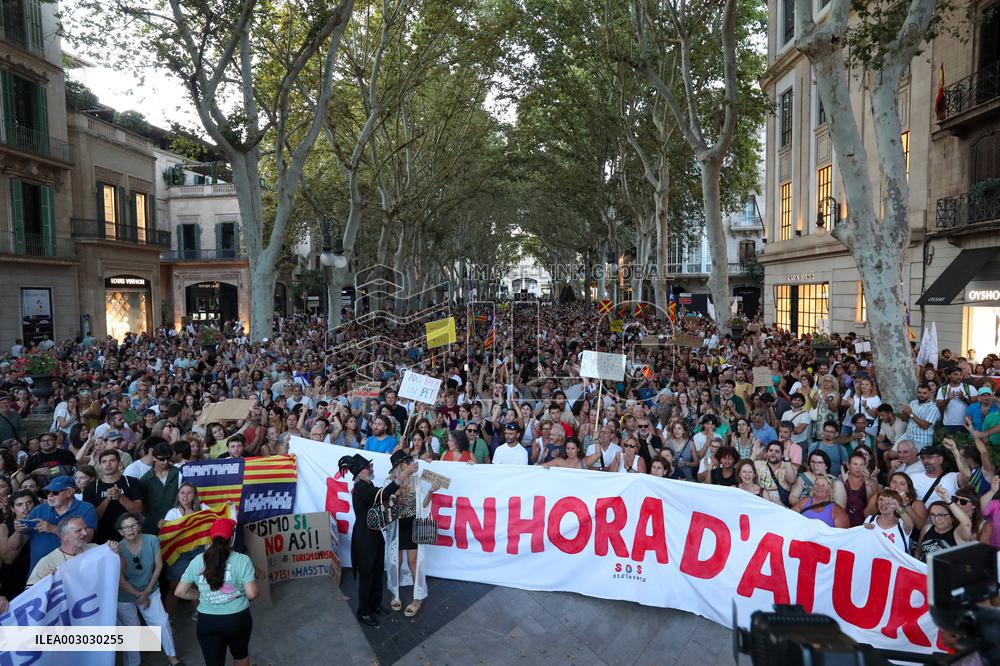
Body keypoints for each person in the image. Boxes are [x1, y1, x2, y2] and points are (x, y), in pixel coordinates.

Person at [339, 452, 417, 627]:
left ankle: (375, 605)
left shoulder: (368, 484)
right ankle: (364, 612)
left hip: (373, 533)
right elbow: (383, 494)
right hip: (364, 536)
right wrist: (405, 473)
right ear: (359, 473)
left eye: (370, 466)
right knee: (367, 574)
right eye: (368, 467)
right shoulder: (361, 488)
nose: (371, 468)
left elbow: (382, 499)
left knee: (376, 571)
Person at [175, 518, 258, 666]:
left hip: (207, 621)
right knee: (240, 656)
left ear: (211, 539)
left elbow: (180, 592)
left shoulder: (197, 561)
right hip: (237, 620)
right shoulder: (243, 560)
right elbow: (252, 593)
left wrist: (202, 595)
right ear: (232, 537)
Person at [115, 512, 182, 666]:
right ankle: (133, 663)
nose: (130, 529)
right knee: (131, 630)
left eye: (133, 525)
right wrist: (139, 595)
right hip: (125, 595)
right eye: (126, 527)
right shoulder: (117, 549)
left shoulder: (152, 540)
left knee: (162, 622)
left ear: (139, 526)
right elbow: (121, 581)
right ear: (121, 532)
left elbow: (158, 566)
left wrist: (146, 593)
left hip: (149, 589)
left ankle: (173, 658)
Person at [19, 475, 97, 571]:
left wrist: (52, 528)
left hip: (71, 569)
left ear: (69, 492)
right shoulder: (38, 509)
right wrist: (19, 528)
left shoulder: (86, 508)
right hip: (40, 570)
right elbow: (24, 534)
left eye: (55, 492)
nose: (50, 495)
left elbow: (87, 537)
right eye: (47, 492)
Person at [161, 482, 210, 614]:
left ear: (194, 495)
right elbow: (165, 534)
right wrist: (163, 525)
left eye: (189, 493)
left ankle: (199, 614)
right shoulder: (173, 512)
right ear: (178, 495)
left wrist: (228, 507)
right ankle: (167, 619)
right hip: (179, 555)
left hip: (198, 552)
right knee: (174, 587)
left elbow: (217, 518)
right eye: (182, 492)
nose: (185, 496)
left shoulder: (203, 509)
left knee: (196, 585)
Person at [26, 516, 112, 586]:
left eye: (85, 529)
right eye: (79, 530)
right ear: (63, 536)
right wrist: (45, 582)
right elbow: (29, 594)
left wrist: (113, 551)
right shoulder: (47, 562)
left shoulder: (95, 549)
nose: (85, 533)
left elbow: (113, 570)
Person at [83, 449, 143, 544]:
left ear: (119, 463)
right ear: (99, 465)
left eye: (112, 460)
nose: (108, 464)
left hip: (130, 534)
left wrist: (120, 497)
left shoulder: (132, 482)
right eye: (104, 461)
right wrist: (107, 499)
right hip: (102, 538)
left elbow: (138, 510)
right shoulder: (91, 488)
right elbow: (92, 518)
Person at [916, 486, 974, 562]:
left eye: (941, 515)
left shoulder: (958, 533)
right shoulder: (926, 529)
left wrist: (947, 500)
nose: (936, 519)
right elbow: (918, 551)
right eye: (933, 515)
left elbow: (967, 524)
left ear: (952, 517)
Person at [0, 490, 38, 598]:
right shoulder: (4, 527)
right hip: (13, 578)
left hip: (37, 573)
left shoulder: (43, 523)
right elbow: (7, 559)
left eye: (29, 503)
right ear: (12, 508)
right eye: (19, 505)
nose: (25, 508)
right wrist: (18, 532)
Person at [139, 443, 182, 534]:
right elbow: (142, 506)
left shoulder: (178, 473)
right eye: (162, 459)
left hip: (176, 522)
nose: (165, 461)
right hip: (153, 525)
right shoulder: (145, 479)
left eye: (168, 458)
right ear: (154, 458)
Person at [863, 489, 913, 555]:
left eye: (889, 501)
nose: (884, 502)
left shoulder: (902, 524)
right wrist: (864, 530)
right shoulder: (870, 520)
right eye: (881, 499)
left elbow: (910, 525)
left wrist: (898, 507)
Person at [900, 384, 941, 449]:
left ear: (929, 394)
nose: (921, 395)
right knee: (890, 453)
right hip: (907, 436)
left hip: (921, 440)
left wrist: (910, 414)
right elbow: (903, 419)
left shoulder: (933, 408)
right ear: (916, 392)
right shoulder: (913, 403)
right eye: (919, 392)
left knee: (909, 455)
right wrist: (904, 411)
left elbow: (925, 426)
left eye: (924, 393)